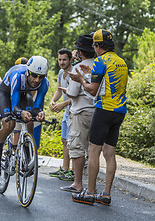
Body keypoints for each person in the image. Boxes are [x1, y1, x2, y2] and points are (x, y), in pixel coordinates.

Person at [69, 29, 128, 205]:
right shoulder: (121, 61)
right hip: (120, 111)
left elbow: (92, 89)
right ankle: (106, 194)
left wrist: (80, 79)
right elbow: (108, 81)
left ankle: (90, 193)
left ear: (97, 46)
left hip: (104, 110)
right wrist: (89, 73)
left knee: (93, 150)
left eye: (94, 46)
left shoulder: (101, 60)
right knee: (110, 153)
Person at [0, 56, 49, 171]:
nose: (37, 80)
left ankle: (27, 154)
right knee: (9, 124)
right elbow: (15, 106)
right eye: (34, 75)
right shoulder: (18, 76)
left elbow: (37, 106)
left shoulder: (44, 83)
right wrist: (21, 112)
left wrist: (38, 113)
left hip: (24, 93)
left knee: (30, 122)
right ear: (28, 72)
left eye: (41, 77)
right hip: (6, 93)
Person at [58, 34, 96, 193]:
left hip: (80, 112)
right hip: (97, 112)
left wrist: (68, 89)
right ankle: (92, 187)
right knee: (93, 149)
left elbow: (73, 93)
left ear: (80, 51)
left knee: (77, 147)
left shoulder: (78, 68)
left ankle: (77, 183)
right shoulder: (100, 66)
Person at [49, 48, 73, 181]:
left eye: (64, 59)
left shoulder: (74, 73)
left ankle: (73, 172)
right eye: (60, 59)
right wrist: (53, 101)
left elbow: (77, 96)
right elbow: (59, 90)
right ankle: (64, 169)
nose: (62, 62)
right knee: (64, 140)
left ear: (70, 60)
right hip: (66, 111)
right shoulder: (60, 72)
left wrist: (62, 104)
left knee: (73, 142)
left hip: (75, 111)